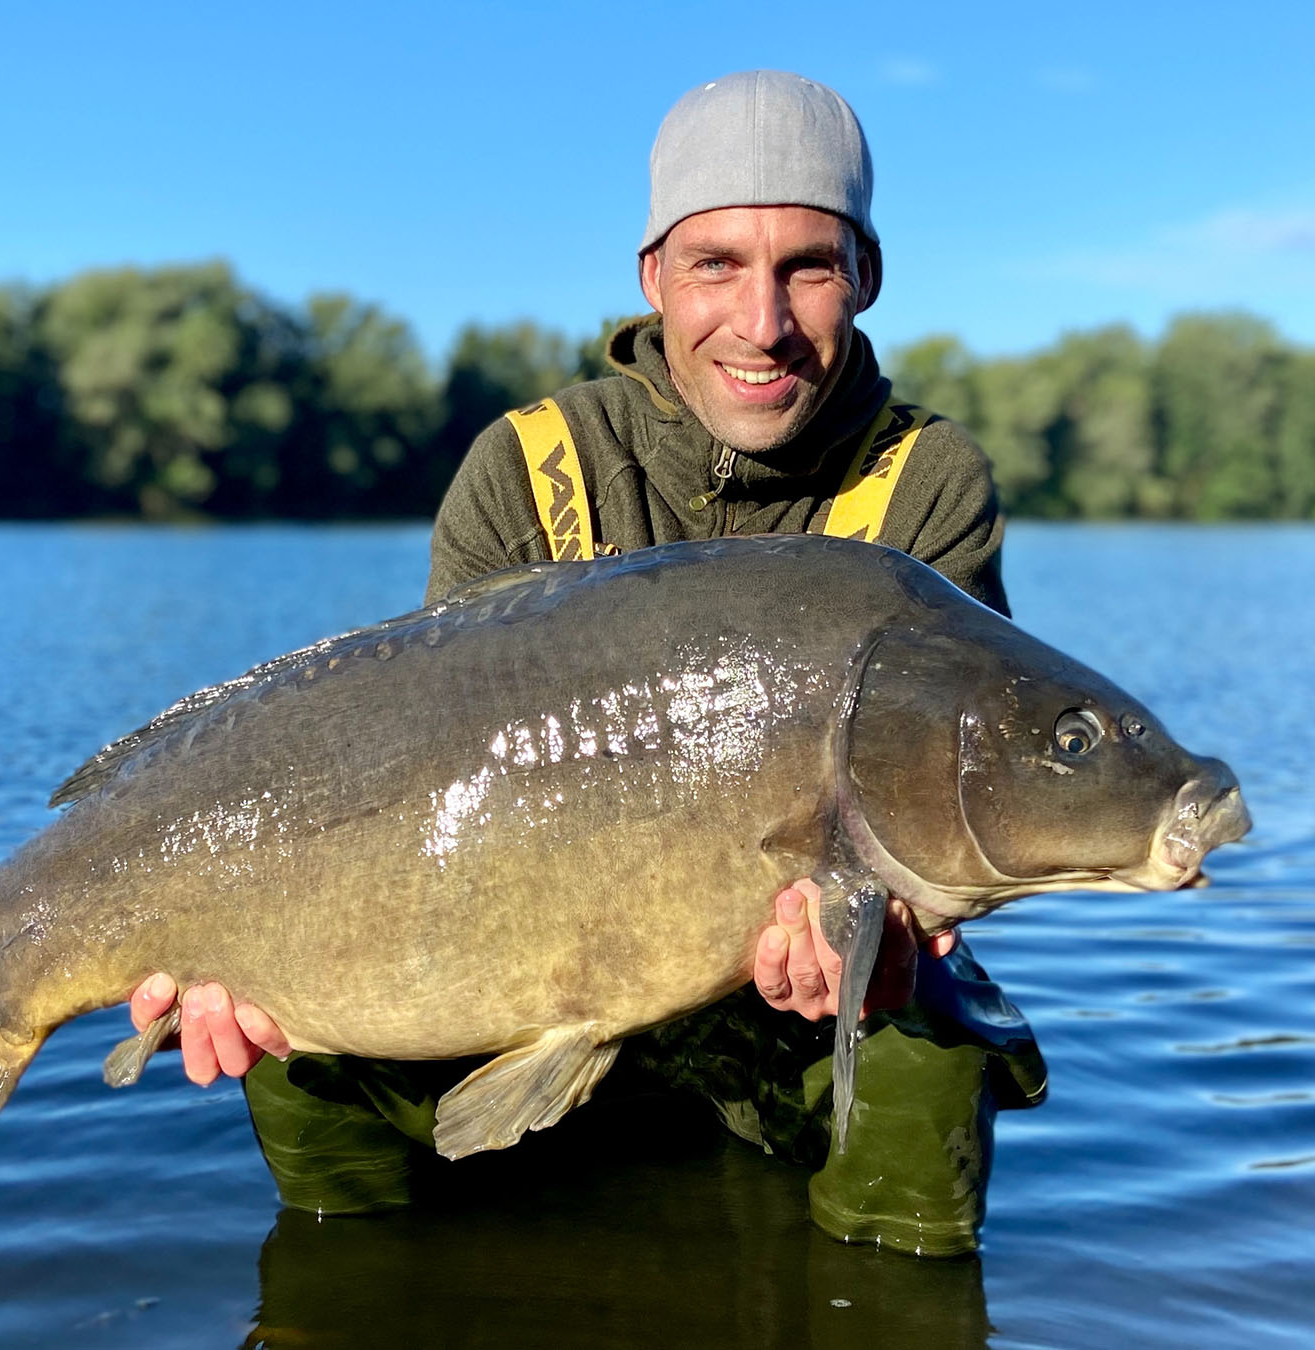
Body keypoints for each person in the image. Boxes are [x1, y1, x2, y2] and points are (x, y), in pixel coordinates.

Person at [129, 70, 1045, 1256]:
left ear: (865, 275)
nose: (761, 323)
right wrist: (240, 939)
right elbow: (422, 787)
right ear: (652, 275)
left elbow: (957, 803)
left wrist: (881, 948)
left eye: (807, 268)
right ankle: (350, 1287)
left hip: (787, 1014)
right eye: (717, 265)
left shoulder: (925, 481)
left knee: (932, 1039)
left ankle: (887, 1292)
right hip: (520, 963)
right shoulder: (529, 465)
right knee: (290, 1022)